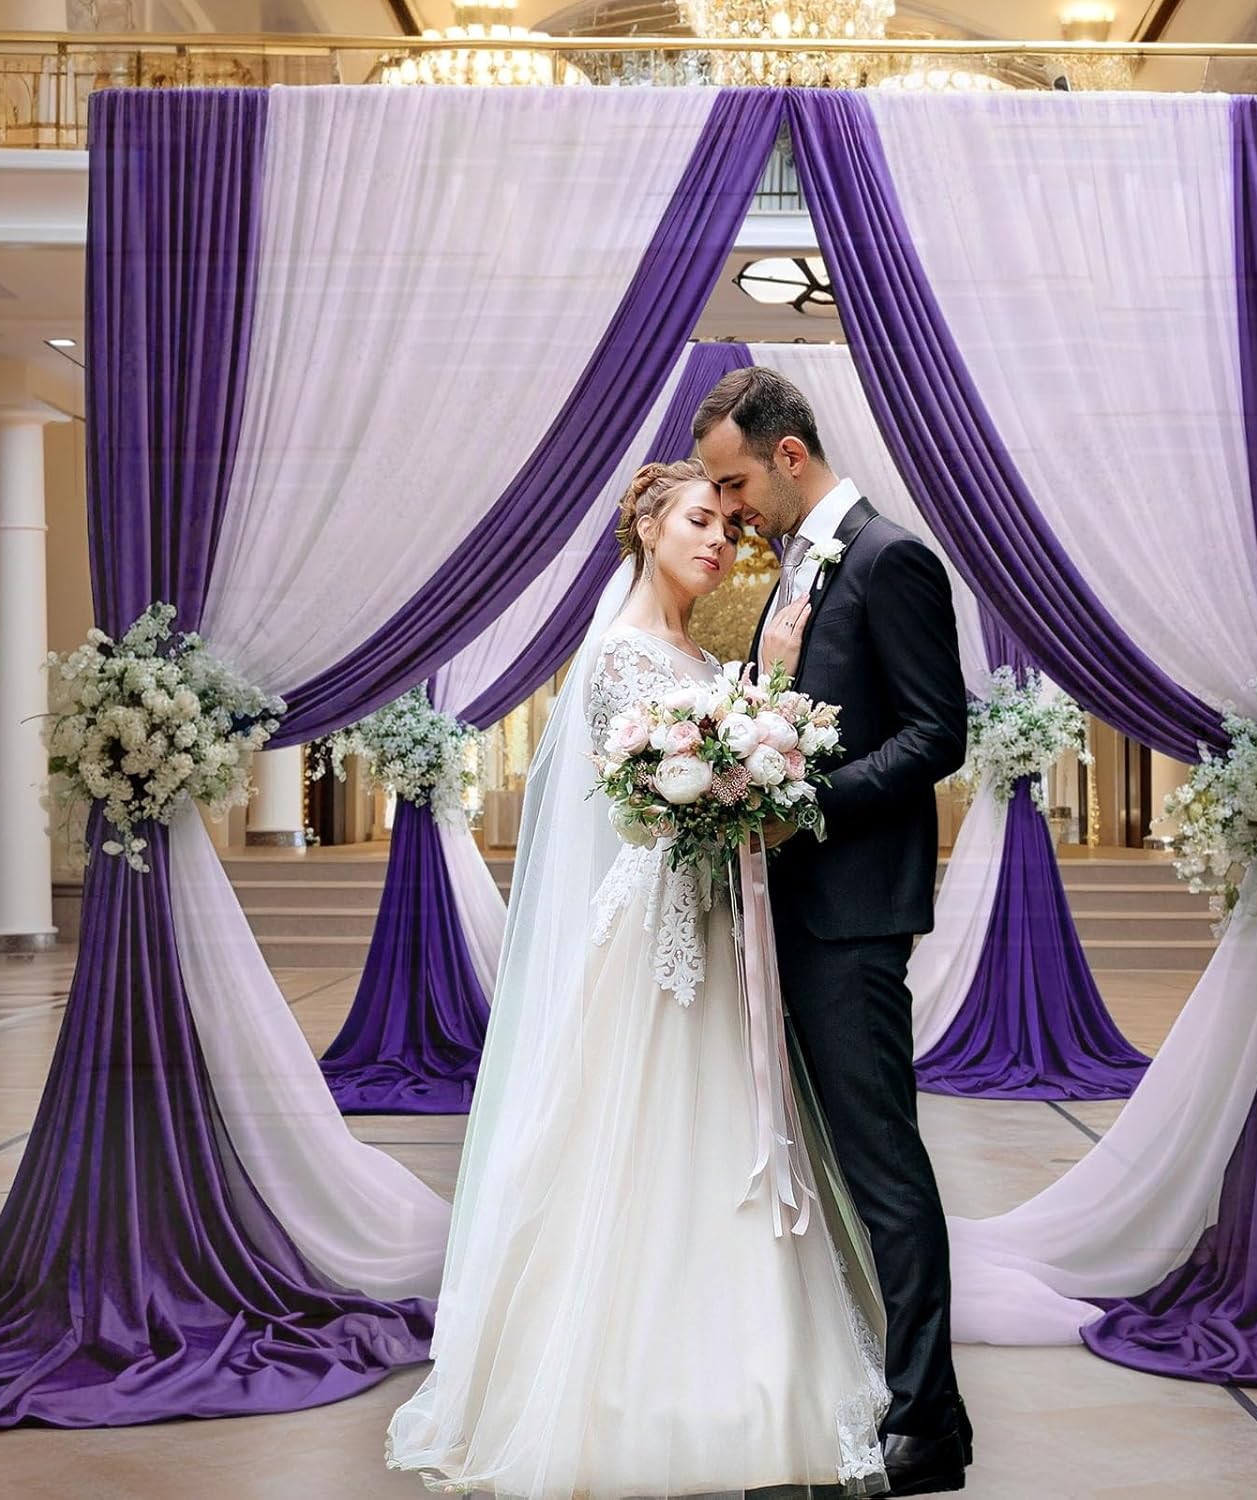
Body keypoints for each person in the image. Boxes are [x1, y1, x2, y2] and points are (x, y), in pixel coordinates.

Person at [386, 459, 891, 1498]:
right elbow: (658, 814)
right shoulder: (620, 656)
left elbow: (732, 778)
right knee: (641, 1141)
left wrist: (765, 694)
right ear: (649, 530)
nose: (718, 541)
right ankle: (626, 1395)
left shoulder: (700, 658)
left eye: (727, 528)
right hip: (660, 928)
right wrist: (754, 724)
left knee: (731, 1136)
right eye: (699, 521)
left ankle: (750, 1381)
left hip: (720, 924)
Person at [696, 367, 972, 1497]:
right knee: (833, 1160)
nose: (730, 507)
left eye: (734, 482)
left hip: (852, 913)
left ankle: (929, 1424)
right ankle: (866, 1381)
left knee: (882, 1162)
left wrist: (803, 802)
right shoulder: (796, 568)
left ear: (789, 454)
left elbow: (937, 734)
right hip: (794, 906)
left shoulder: (889, 559)